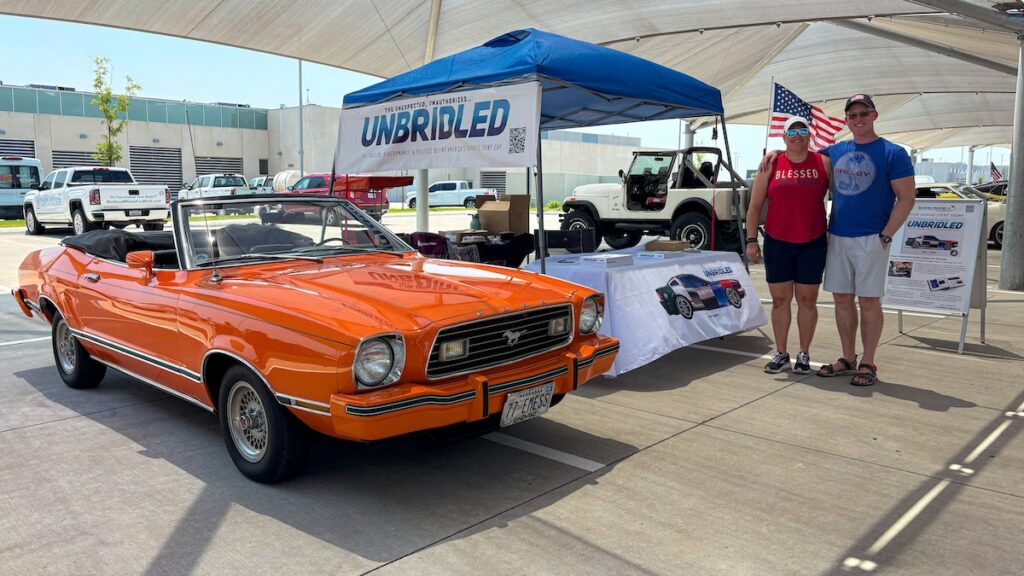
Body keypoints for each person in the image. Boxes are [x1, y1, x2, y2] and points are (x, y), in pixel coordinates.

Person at [760, 94, 915, 386]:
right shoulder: (836, 150)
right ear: (846, 120)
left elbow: (907, 198)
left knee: (868, 301)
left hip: (872, 237)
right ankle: (848, 357)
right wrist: (777, 152)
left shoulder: (894, 153)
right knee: (842, 299)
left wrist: (886, 235)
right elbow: (799, 151)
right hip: (838, 236)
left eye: (864, 113)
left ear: (874, 115)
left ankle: (868, 362)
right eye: (852, 115)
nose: (858, 119)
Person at [746, 116, 830, 375]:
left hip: (812, 242)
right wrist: (751, 240)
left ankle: (803, 353)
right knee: (780, 300)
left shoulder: (823, 162)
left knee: (807, 300)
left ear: (809, 135)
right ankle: (781, 353)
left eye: (802, 130)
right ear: (783, 137)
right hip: (778, 242)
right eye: (791, 132)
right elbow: (755, 206)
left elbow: (842, 197)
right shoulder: (771, 165)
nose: (797, 136)